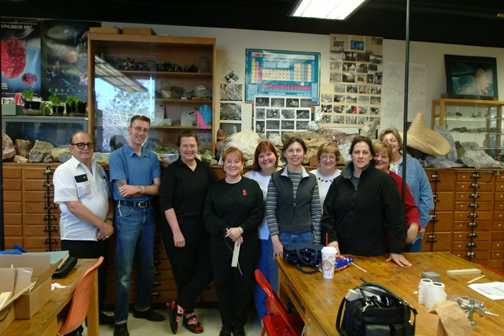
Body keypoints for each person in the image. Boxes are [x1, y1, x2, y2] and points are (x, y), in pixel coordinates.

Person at [109, 115, 164, 336]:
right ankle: (120, 321)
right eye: (137, 129)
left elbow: (157, 188)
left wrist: (138, 188)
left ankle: (143, 307)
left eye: (145, 130)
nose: (141, 133)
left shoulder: (152, 157)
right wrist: (144, 187)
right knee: (124, 270)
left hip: (148, 214)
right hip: (127, 214)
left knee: (147, 266)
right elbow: (123, 189)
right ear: (129, 129)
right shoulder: (117, 156)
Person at [53, 131, 114, 326]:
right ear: (71, 148)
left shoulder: (99, 169)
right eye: (80, 145)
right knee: (78, 283)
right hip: (77, 237)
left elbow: (108, 200)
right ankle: (74, 323)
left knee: (99, 279)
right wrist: (102, 225)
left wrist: (109, 222)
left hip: (100, 236)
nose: (85, 148)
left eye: (88, 144)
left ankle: (95, 314)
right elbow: (73, 205)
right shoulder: (65, 170)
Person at [322, 136, 410, 267]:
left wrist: (396, 250)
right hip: (343, 253)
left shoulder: (384, 182)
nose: (360, 156)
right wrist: (333, 240)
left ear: (371, 156)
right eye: (357, 152)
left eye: (365, 152)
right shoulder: (339, 183)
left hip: (374, 254)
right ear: (351, 155)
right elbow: (328, 215)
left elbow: (395, 217)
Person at [204, 147, 264, 336]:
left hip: (246, 244)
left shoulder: (252, 187)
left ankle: (238, 324)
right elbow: (208, 215)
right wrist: (226, 230)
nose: (232, 165)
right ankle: (226, 323)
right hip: (221, 245)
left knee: (243, 284)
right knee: (222, 283)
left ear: (242, 164)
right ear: (223, 164)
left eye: (236, 161)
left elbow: (258, 213)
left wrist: (242, 229)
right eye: (228, 161)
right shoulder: (215, 188)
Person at [159, 131, 214, 334]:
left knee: (207, 270)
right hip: (178, 228)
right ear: (179, 148)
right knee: (184, 273)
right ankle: (189, 313)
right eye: (185, 146)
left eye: (192, 146)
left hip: (203, 228)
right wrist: (176, 232)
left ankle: (178, 304)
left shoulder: (205, 169)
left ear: (197, 147)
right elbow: (165, 203)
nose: (189, 149)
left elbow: (214, 195)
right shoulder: (172, 171)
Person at [266, 137, 321, 258]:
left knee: (305, 275)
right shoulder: (275, 178)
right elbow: (270, 211)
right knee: (282, 275)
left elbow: (316, 212)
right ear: (285, 154)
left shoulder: (311, 179)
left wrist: (316, 240)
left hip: (307, 236)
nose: (295, 154)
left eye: (298, 150)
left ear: (304, 153)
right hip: (282, 236)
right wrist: (275, 240)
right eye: (290, 150)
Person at [380, 128, 433, 252]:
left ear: (399, 143)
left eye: (393, 140)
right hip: (386, 232)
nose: (389, 143)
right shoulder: (379, 165)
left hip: (411, 228)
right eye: (385, 141)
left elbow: (426, 195)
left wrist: (421, 223)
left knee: (411, 266)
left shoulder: (414, 164)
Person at [244, 140, 279, 320]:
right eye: (261, 155)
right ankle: (265, 316)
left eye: (269, 153)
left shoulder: (283, 174)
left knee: (277, 279)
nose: (266, 158)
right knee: (262, 278)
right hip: (258, 235)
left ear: (275, 155)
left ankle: (277, 316)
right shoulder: (250, 176)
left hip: (278, 237)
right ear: (257, 159)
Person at [373, 142, 420, 245]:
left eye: (384, 156)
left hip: (391, 239)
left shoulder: (397, 181)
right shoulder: (363, 179)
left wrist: (414, 224)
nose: (379, 159)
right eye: (376, 155)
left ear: (390, 160)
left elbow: (410, 207)